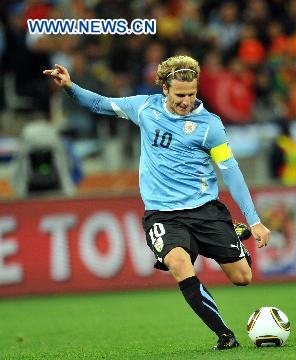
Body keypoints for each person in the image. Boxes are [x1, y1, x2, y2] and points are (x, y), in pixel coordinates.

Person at [44, 55, 271, 349]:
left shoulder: (210, 126)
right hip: (163, 215)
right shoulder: (144, 108)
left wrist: (254, 220)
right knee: (178, 263)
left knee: (243, 277)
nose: (186, 101)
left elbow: (231, 173)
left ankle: (233, 233)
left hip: (204, 210)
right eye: (180, 95)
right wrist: (70, 87)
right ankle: (224, 335)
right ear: (164, 89)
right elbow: (101, 104)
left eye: (191, 94)